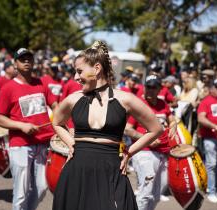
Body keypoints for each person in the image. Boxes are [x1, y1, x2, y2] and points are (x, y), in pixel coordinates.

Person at [52, 41, 162, 210]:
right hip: (77, 170)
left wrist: (129, 152)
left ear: (96, 69)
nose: (75, 77)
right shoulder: (73, 98)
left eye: (79, 71)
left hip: (111, 170)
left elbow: (156, 129)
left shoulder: (126, 99)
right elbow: (57, 122)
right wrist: (71, 143)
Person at [0, 48, 57, 210]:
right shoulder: (8, 88)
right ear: (15, 64)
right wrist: (21, 126)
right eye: (22, 59)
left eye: (29, 58)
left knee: (42, 188)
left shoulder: (41, 83)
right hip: (20, 144)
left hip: (43, 143)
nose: (27, 61)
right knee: (21, 193)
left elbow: (56, 107)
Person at [125, 75, 177, 210]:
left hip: (163, 153)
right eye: (148, 86)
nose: (151, 90)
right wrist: (147, 139)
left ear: (159, 89)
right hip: (144, 152)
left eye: (154, 87)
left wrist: (174, 124)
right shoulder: (138, 105)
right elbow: (128, 130)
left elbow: (171, 118)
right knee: (146, 192)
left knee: (157, 194)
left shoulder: (163, 104)